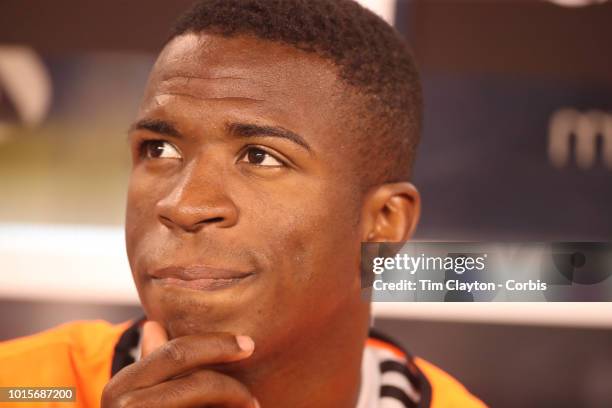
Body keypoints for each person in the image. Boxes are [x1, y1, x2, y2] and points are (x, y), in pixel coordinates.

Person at [0, 1, 486, 407]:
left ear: (384, 222)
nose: (183, 204)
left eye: (260, 157)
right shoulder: (24, 385)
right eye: (159, 149)